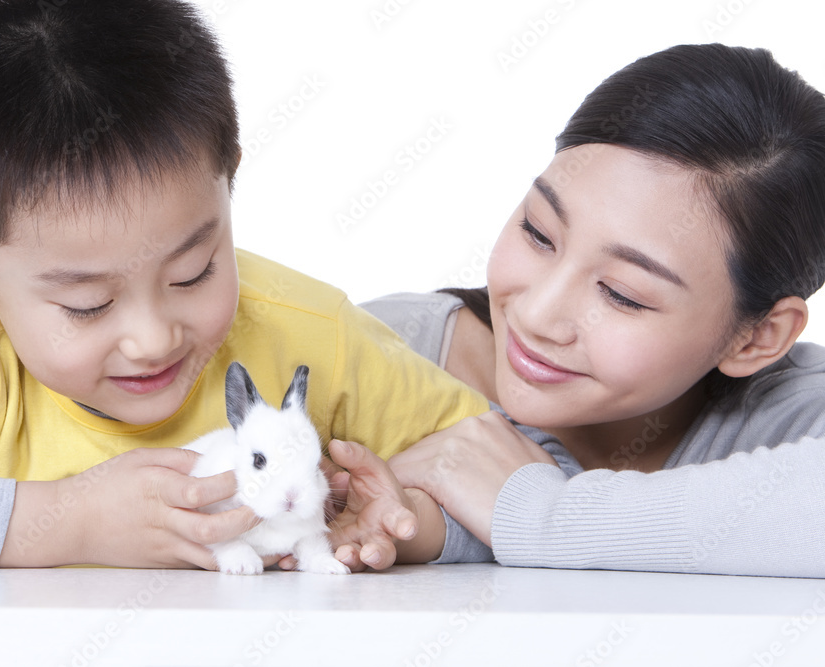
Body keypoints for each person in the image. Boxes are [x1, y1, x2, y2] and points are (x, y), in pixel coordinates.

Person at [0, 0, 490, 569]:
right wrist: (68, 518)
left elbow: (525, 474)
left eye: (193, 272)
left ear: (227, 181)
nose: (151, 339)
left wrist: (416, 525)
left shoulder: (310, 332)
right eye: (87, 304)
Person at [326, 43, 825, 578]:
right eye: (539, 233)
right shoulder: (361, 352)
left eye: (622, 293)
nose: (537, 315)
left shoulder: (788, 417)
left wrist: (536, 512)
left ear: (756, 338)